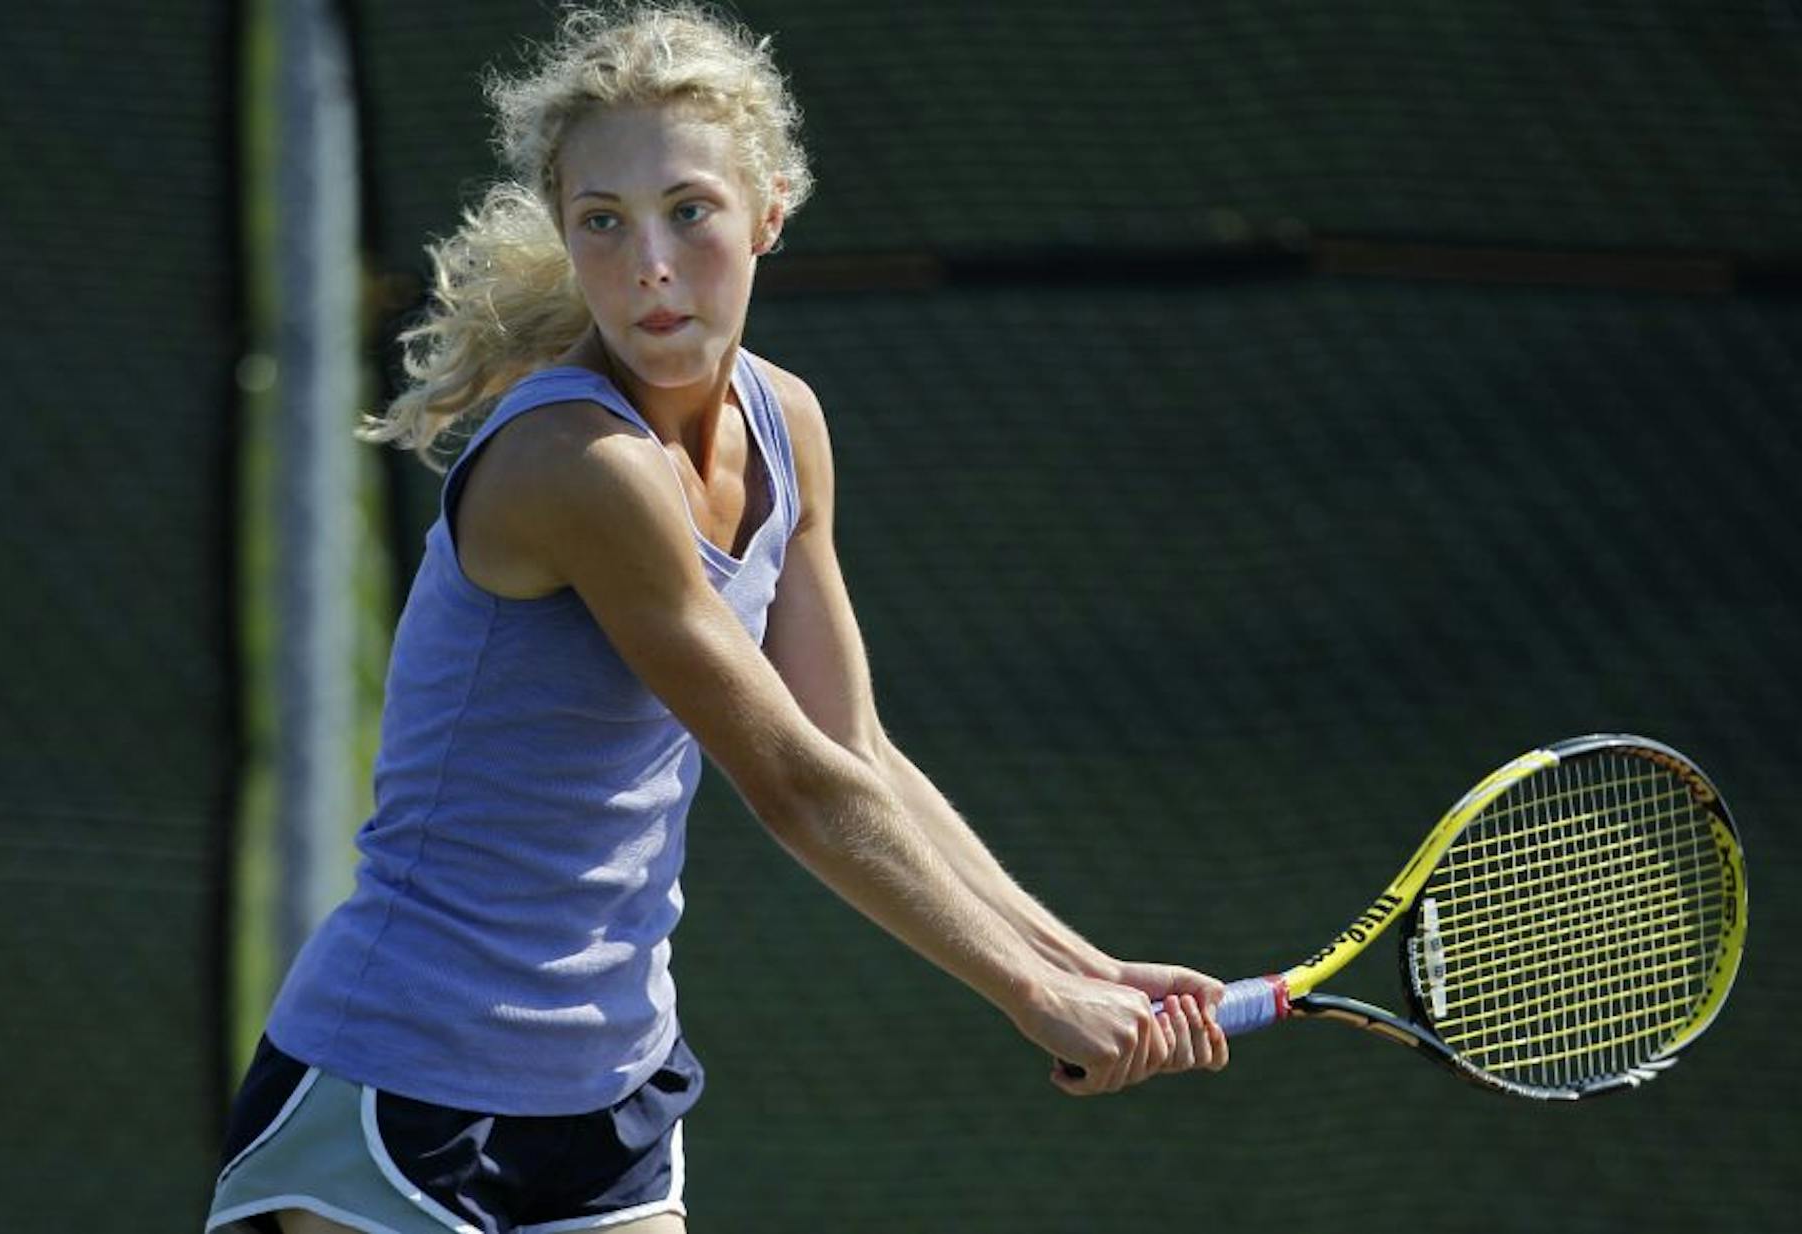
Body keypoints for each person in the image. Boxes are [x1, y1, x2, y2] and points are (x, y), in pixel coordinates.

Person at [206, 5, 1229, 1232]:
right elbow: (796, 785)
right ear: (568, 234)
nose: (650, 265)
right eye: (604, 222)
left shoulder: (788, 425)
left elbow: (855, 747)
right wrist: (1027, 989)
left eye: (690, 211)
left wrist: (1085, 965)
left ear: (769, 211)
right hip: (401, 1090)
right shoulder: (581, 464)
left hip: (611, 1096)